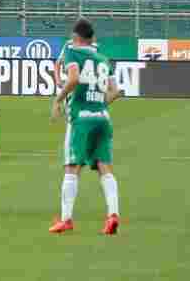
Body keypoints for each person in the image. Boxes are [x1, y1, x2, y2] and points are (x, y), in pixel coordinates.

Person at [50, 18, 122, 235]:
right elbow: (115, 91)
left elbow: (72, 79)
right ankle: (113, 215)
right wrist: (98, 105)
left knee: (72, 167)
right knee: (104, 167)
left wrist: (58, 99)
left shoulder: (73, 52)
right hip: (102, 117)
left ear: (75, 37)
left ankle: (66, 219)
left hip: (81, 119)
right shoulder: (102, 58)